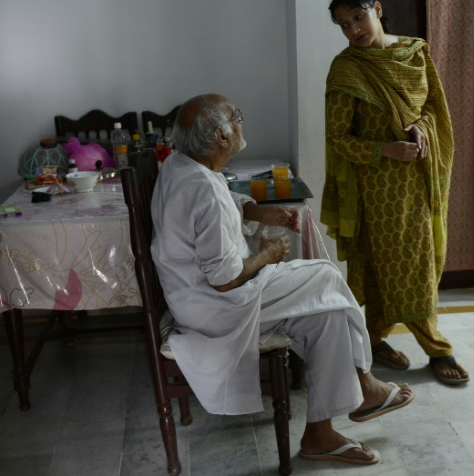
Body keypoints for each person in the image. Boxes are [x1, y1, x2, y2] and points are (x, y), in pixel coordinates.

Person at [150, 93, 415, 465]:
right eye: (235, 116)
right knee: (325, 276)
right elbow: (224, 279)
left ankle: (319, 435)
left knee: (328, 316)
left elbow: (224, 200)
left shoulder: (181, 165)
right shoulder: (202, 189)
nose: (241, 120)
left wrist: (262, 213)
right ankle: (366, 384)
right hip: (218, 306)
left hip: (199, 298)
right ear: (221, 137)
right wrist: (269, 255)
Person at [321, 0, 469, 385]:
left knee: (418, 264)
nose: (354, 29)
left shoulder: (415, 52)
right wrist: (384, 150)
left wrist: (422, 126)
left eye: (358, 17)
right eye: (344, 24)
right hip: (373, 190)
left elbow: (434, 108)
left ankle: (381, 338)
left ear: (378, 9)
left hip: (417, 182)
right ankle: (432, 347)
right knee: (382, 266)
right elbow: (338, 138)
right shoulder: (347, 69)